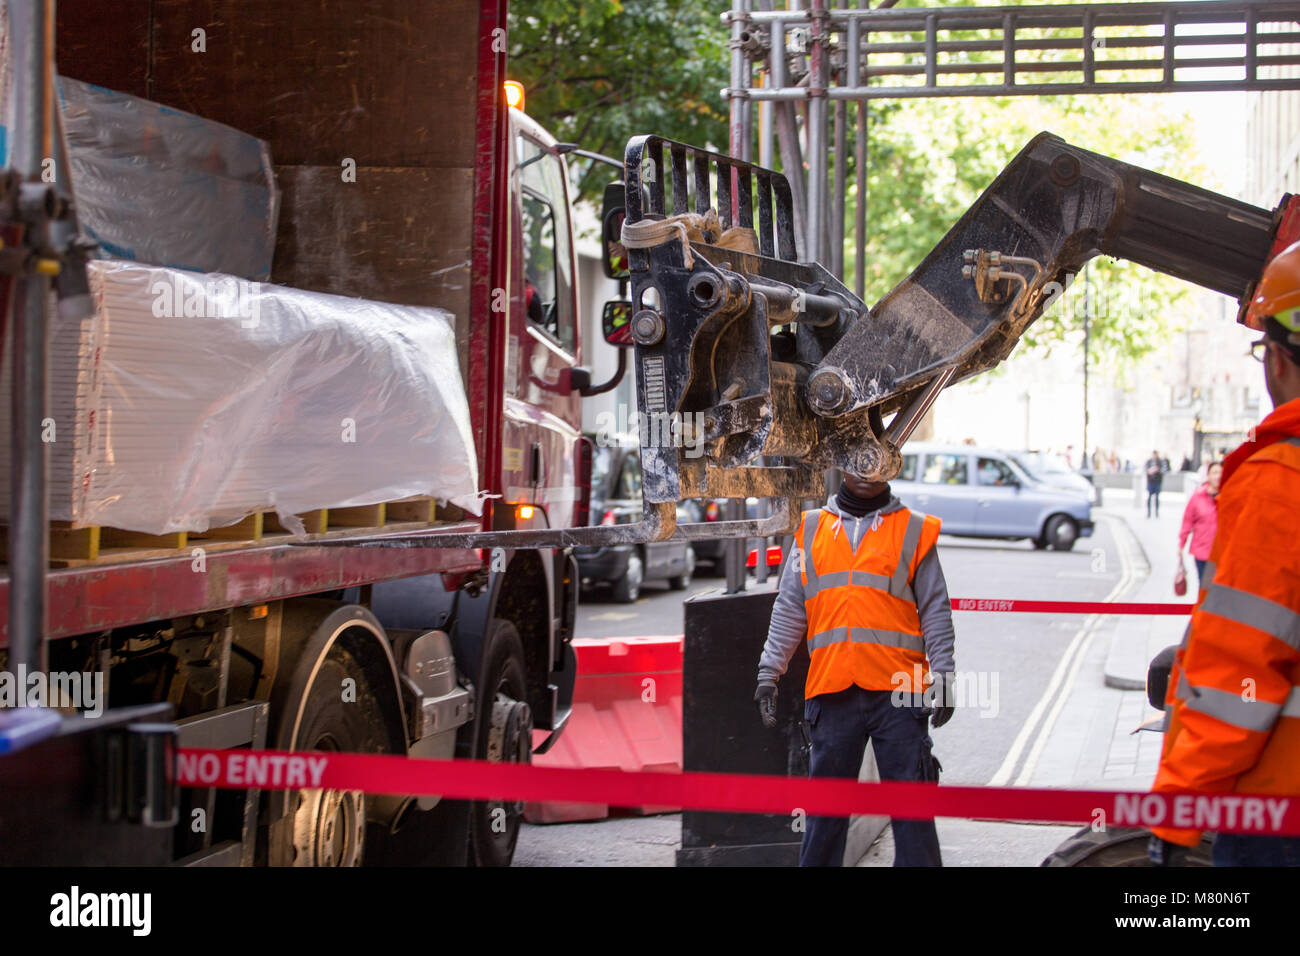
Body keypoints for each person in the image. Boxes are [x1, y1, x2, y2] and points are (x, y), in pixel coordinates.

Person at [1148, 239, 1300, 867]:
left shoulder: (1281, 482)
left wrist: (1178, 810)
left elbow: (1241, 674)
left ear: (1283, 360)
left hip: (1276, 811)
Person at [754, 473, 956, 867]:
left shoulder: (913, 531)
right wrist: (769, 672)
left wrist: (944, 676)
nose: (866, 473)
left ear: (889, 467)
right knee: (825, 820)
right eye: (857, 463)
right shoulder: (810, 530)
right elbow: (790, 609)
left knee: (912, 816)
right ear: (842, 465)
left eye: (874, 463)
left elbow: (935, 609)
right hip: (833, 693)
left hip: (902, 693)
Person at [1177, 460, 1222, 587]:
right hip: (1202, 552)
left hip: (1222, 554)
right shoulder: (1197, 497)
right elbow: (1187, 521)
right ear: (1208, 476)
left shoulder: (1228, 496)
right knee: (1205, 588)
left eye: (1221, 473)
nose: (1218, 476)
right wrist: (1181, 545)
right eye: (1214, 472)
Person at [1144, 449, 1166, 517]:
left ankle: (1156, 512)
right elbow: (1145, 469)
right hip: (1150, 481)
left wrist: (1158, 470)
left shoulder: (1161, 462)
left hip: (1157, 481)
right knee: (1149, 497)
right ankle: (1149, 513)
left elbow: (1164, 470)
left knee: (1157, 497)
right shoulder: (1149, 461)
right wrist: (1149, 471)